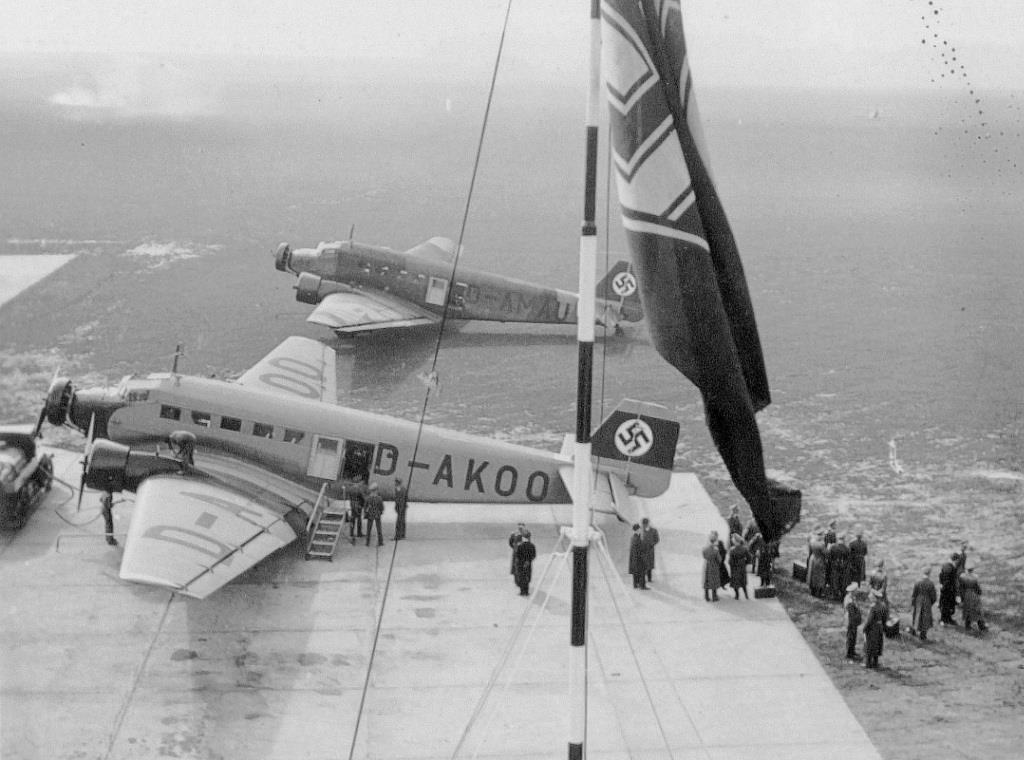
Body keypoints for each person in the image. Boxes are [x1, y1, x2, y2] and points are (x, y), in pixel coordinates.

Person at [909, 567, 938, 640]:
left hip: (918, 601)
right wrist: (930, 603)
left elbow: (914, 594)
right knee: (925, 618)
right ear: (929, 574)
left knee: (917, 615)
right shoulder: (931, 583)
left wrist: (913, 603)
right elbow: (934, 596)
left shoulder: (917, 582)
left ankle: (914, 630)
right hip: (927, 601)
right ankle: (923, 634)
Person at [862, 589, 887, 669]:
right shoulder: (882, 606)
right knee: (877, 645)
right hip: (879, 627)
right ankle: (875, 663)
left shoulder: (873, 607)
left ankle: (868, 664)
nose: (869, 597)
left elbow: (869, 620)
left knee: (869, 646)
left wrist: (864, 628)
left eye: (871, 596)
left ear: (875, 598)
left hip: (872, 628)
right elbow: (885, 618)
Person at [958, 566, 987, 631]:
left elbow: (961, 588)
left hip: (966, 595)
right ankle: (981, 626)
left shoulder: (962, 577)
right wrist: (979, 592)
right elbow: (978, 588)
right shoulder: (975, 577)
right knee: (978, 611)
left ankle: (967, 626)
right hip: (974, 595)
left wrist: (962, 598)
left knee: (967, 610)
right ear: (972, 570)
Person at [828, 534, 852, 601]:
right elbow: (848, 559)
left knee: (835, 580)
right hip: (843, 567)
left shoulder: (833, 547)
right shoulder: (847, 548)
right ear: (844, 539)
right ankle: (842, 595)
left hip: (834, 566)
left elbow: (829, 558)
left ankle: (835, 595)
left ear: (838, 539)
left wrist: (833, 564)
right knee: (843, 581)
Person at [938, 553, 960, 625]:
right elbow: (949, 580)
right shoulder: (951, 568)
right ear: (955, 560)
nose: (958, 562)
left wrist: (941, 584)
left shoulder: (945, 565)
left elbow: (940, 576)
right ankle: (943, 620)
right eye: (957, 560)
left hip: (946, 589)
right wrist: (944, 587)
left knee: (947, 605)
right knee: (946, 605)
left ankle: (948, 619)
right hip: (948, 590)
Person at [513, 530, 536, 596]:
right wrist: (528, 561)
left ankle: (522, 592)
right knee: (527, 577)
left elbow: (517, 555)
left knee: (521, 577)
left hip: (521, 564)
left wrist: (517, 563)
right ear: (529, 537)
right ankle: (526, 592)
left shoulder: (520, 545)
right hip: (528, 564)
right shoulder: (532, 545)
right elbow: (533, 555)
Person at [843, 582, 862, 660]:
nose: (857, 591)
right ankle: (849, 653)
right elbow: (852, 613)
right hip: (851, 621)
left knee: (853, 636)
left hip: (853, 621)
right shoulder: (849, 600)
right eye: (856, 590)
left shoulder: (852, 598)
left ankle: (852, 651)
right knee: (850, 637)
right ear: (853, 591)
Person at [727, 533, 750, 599]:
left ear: (734, 541)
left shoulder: (732, 550)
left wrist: (731, 565)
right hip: (742, 566)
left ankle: (737, 595)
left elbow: (730, 561)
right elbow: (749, 557)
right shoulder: (744, 548)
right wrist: (745, 563)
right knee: (743, 582)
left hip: (735, 567)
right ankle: (746, 595)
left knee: (735, 582)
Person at [701, 531, 722, 602]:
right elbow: (719, 559)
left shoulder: (705, 549)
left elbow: (704, 556)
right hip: (714, 567)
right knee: (714, 581)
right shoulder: (716, 550)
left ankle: (706, 596)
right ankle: (714, 596)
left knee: (706, 580)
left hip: (707, 565)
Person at [363, 482, 384, 547]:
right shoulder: (379, 498)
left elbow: (365, 507)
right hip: (377, 514)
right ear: (376, 490)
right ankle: (380, 542)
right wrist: (380, 512)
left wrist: (366, 512)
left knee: (368, 529)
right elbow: (382, 508)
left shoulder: (368, 498)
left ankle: (367, 542)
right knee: (379, 529)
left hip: (370, 515)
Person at [639, 517, 659, 584]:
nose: (644, 525)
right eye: (643, 524)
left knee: (649, 565)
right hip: (642, 550)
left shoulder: (654, 530)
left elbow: (657, 539)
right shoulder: (640, 531)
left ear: (648, 524)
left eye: (645, 524)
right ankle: (642, 579)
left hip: (650, 550)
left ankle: (649, 578)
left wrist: (652, 544)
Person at [807, 531, 827, 598]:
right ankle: (819, 593)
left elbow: (810, 551)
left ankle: (812, 591)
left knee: (812, 575)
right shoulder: (821, 544)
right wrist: (829, 548)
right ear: (820, 536)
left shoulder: (812, 542)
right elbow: (826, 553)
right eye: (822, 535)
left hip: (812, 559)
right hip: (819, 560)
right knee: (820, 576)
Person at [628, 523, 646, 589]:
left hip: (634, 558)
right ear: (637, 529)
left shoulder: (633, 537)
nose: (640, 530)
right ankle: (642, 586)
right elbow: (639, 549)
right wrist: (643, 556)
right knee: (642, 571)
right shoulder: (636, 538)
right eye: (640, 529)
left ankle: (635, 584)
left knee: (635, 572)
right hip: (638, 558)